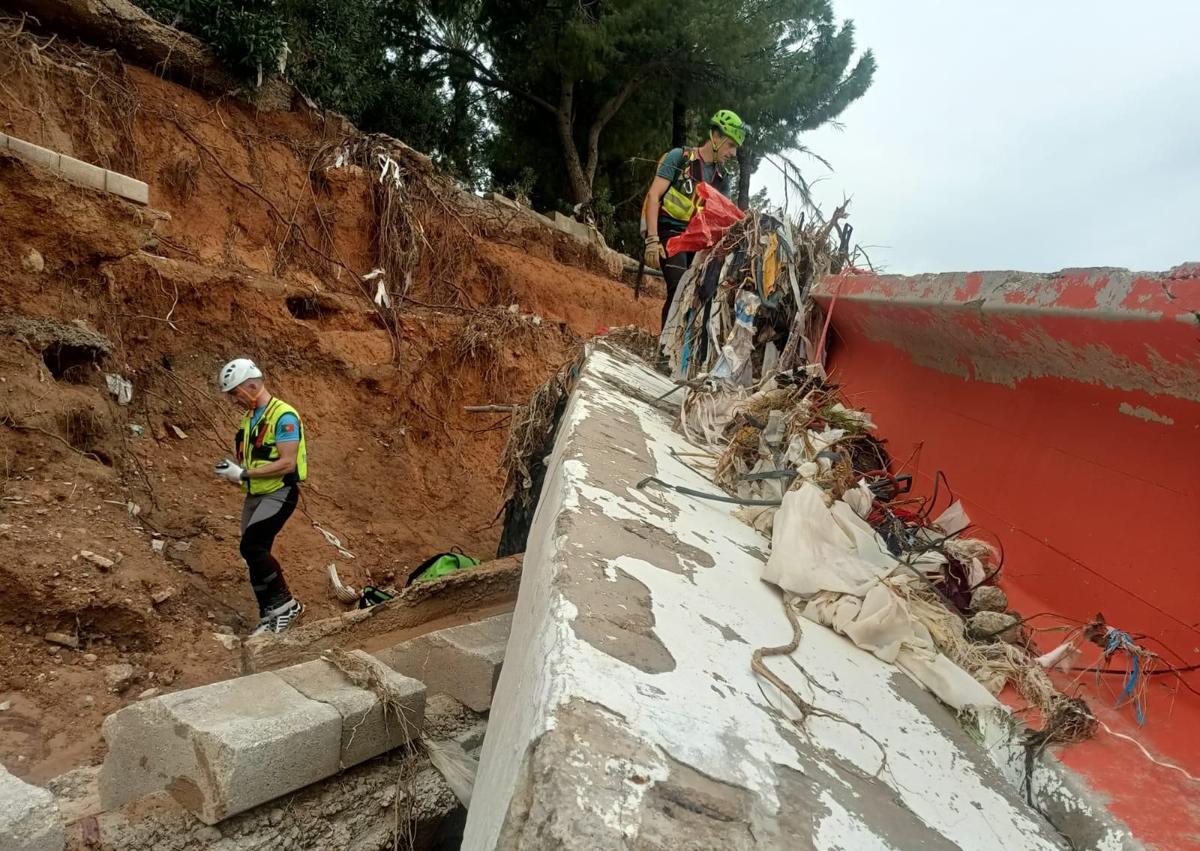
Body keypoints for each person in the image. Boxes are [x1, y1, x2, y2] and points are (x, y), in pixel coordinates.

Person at [212, 358, 307, 636]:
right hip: (255, 494)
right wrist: (235, 472)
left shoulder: (284, 416)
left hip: (280, 491)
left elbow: (288, 462)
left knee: (253, 547)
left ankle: (286, 606)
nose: (234, 400)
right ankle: (269, 613)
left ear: (251, 385)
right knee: (251, 553)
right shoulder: (250, 418)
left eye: (235, 393)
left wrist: (242, 475)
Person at [642, 109, 748, 329]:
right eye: (731, 145)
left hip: (695, 243)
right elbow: (654, 196)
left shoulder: (721, 180)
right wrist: (652, 239)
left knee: (695, 297)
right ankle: (664, 354)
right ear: (716, 136)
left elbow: (721, 222)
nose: (734, 152)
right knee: (678, 288)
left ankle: (676, 351)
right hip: (669, 232)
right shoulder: (679, 157)